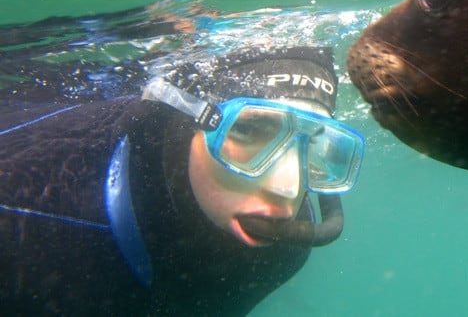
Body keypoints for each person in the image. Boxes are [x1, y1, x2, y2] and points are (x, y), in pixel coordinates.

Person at [0, 46, 365, 315]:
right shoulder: (21, 217)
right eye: (251, 129)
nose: (287, 189)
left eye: (313, 142)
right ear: (182, 121)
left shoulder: (286, 253)